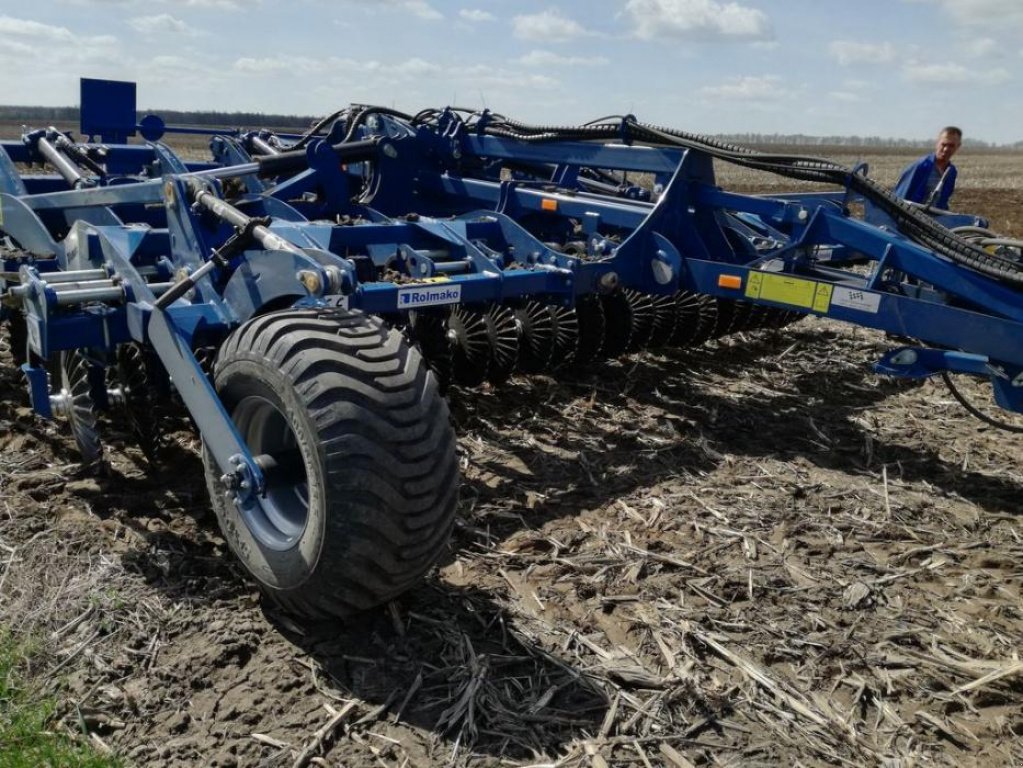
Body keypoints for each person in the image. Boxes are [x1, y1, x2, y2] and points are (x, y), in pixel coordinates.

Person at [894, 126, 962, 209]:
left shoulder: (951, 172)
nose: (946, 149)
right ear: (937, 143)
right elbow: (899, 199)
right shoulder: (920, 167)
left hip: (933, 219)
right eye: (943, 144)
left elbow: (943, 201)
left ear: (958, 146)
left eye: (951, 146)